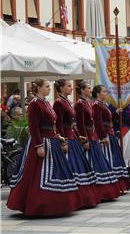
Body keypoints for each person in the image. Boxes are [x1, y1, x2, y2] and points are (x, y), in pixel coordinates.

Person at [7, 78, 80, 216]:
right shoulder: (35, 103)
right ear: (39, 88)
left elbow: (52, 124)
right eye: (47, 86)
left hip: (51, 140)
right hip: (41, 141)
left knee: (56, 172)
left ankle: (57, 204)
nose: (49, 89)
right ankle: (39, 205)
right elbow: (33, 126)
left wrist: (57, 136)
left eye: (49, 87)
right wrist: (39, 145)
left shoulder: (46, 102)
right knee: (37, 175)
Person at [53, 79, 100, 208]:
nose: (71, 88)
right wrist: (63, 141)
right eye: (68, 86)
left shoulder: (67, 101)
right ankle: (73, 197)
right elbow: (59, 124)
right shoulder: (58, 103)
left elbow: (73, 123)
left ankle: (82, 197)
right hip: (67, 137)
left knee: (79, 166)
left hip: (73, 136)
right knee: (72, 167)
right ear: (61, 88)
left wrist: (79, 136)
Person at [74, 81, 121, 201]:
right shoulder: (80, 104)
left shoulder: (88, 103)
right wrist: (85, 139)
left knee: (100, 162)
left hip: (93, 135)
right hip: (89, 136)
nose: (90, 90)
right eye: (88, 88)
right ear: (82, 90)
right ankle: (96, 190)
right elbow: (81, 124)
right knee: (93, 163)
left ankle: (104, 191)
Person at [92, 85, 130, 192]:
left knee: (114, 158)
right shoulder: (96, 105)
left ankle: (117, 184)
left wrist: (115, 113)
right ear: (98, 93)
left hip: (110, 133)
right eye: (104, 91)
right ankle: (110, 185)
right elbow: (98, 122)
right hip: (106, 134)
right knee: (109, 158)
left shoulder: (103, 104)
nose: (106, 93)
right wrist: (102, 136)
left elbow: (107, 118)